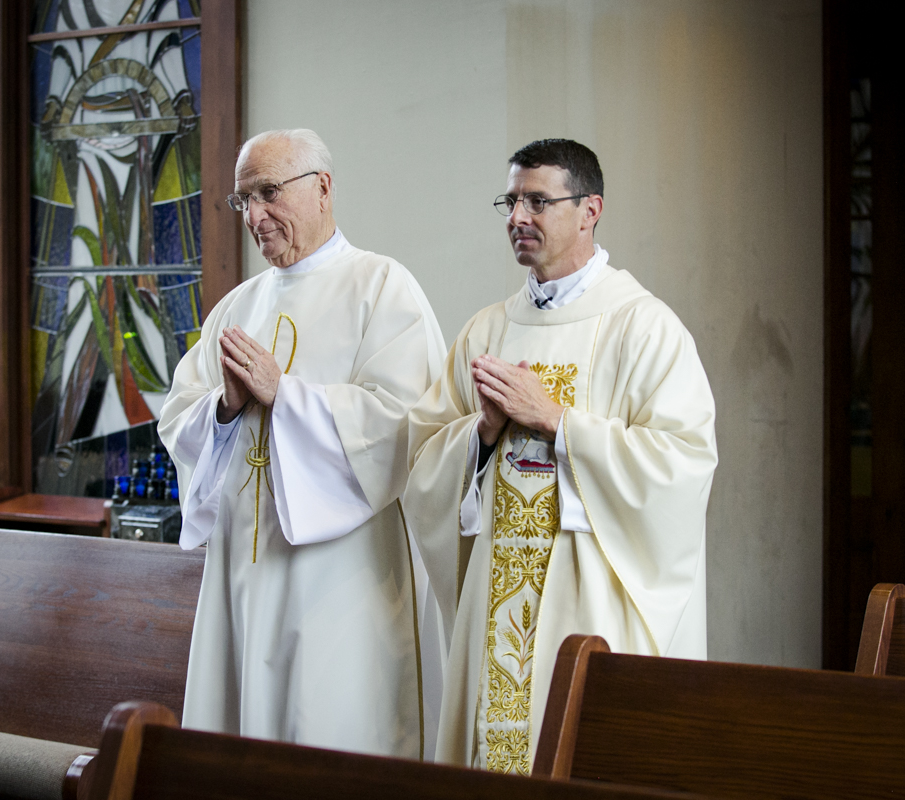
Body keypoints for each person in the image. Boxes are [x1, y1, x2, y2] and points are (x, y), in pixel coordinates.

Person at [404, 139, 717, 774]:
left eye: (538, 201)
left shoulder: (644, 328)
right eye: (511, 202)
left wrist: (559, 423)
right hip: (497, 602)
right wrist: (482, 434)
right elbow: (422, 463)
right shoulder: (487, 330)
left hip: (591, 603)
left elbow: (683, 463)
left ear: (589, 210)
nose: (519, 217)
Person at [159, 128, 446, 758]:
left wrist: (284, 397)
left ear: (322, 188)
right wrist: (225, 408)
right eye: (243, 200)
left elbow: (406, 423)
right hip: (242, 577)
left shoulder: (382, 288)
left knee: (327, 741)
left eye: (268, 192)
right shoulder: (236, 308)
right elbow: (178, 418)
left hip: (341, 587)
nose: (254, 215)